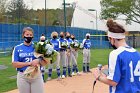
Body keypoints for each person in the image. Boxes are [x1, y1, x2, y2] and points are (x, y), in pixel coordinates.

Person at [93, 19, 140, 93]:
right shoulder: (137, 53)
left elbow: (113, 82)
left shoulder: (115, 54)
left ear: (112, 39)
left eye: (109, 40)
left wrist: (98, 77)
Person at [12, 27, 45, 93]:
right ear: (23, 35)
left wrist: (38, 60)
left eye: (30, 35)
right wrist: (29, 63)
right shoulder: (17, 48)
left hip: (36, 75)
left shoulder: (37, 46)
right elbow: (14, 64)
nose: (29, 36)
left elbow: (45, 60)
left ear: (33, 36)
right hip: (23, 76)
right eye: (27, 35)